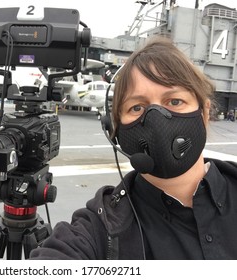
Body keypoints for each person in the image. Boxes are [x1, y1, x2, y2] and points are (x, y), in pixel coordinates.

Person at [29, 37, 237, 260]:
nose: (157, 121)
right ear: (115, 130)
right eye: (137, 107)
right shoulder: (99, 229)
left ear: (204, 114)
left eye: (175, 101)